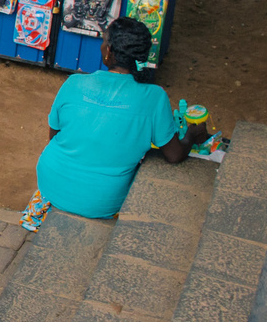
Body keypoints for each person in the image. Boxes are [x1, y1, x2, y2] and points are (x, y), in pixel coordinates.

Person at [19, 16, 208, 231]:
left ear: (108, 52)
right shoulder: (154, 97)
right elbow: (174, 155)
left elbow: (54, 137)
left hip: (50, 184)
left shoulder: (74, 83)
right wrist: (192, 135)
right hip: (101, 202)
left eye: (103, 41)